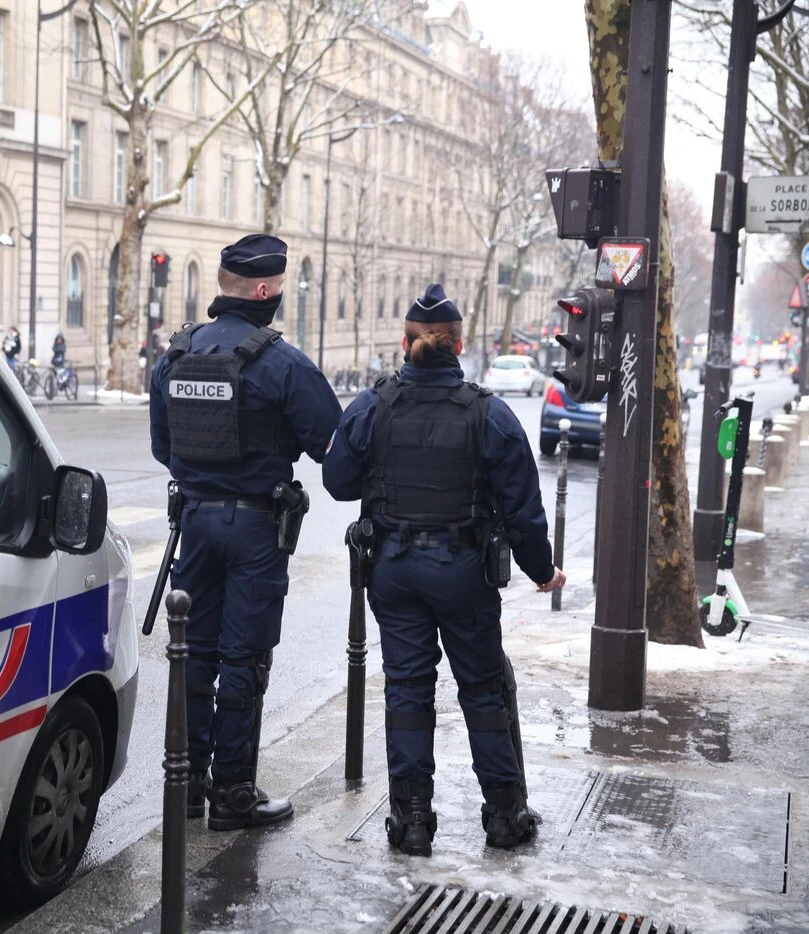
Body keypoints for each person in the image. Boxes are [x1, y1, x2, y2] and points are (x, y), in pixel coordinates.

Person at [322, 282, 565, 857]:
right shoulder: (490, 414)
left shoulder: (372, 405)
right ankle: (504, 816)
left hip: (395, 570)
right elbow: (522, 510)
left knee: (407, 689)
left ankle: (410, 821)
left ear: (406, 342)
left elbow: (336, 482)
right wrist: (542, 569)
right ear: (459, 344)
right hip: (463, 571)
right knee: (482, 688)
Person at [149, 234, 342, 831]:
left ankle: (182, 786)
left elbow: (163, 448)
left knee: (194, 656)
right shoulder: (282, 362)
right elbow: (333, 448)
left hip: (195, 523)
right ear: (263, 291)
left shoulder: (176, 355)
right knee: (243, 659)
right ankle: (231, 792)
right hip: (255, 529)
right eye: (279, 289)